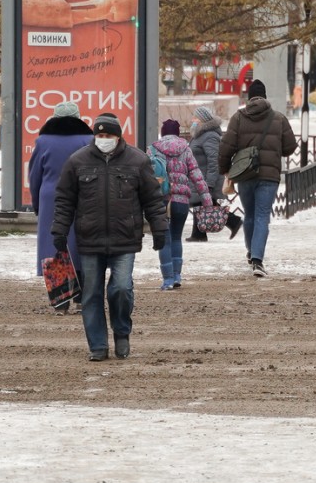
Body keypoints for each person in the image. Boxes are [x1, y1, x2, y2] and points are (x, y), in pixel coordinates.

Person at [51, 113, 169, 361]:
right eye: (100, 135)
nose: (104, 139)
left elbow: (153, 199)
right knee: (91, 293)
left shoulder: (137, 160)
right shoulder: (78, 161)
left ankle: (122, 333)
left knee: (121, 288)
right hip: (90, 240)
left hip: (124, 239)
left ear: (118, 136)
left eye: (109, 135)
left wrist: (159, 228)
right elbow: (64, 201)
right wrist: (59, 230)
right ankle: (97, 345)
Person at [218, 79, 298, 277]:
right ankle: (257, 259)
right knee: (263, 216)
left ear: (249, 96)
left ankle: (251, 251)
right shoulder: (278, 118)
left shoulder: (238, 118)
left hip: (245, 174)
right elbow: (290, 147)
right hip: (269, 177)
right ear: (265, 96)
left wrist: (225, 169)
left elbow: (226, 147)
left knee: (250, 215)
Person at [28, 101, 92, 315]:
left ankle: (60, 300)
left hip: (51, 199)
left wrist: (37, 204)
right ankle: (83, 298)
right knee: (82, 246)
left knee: (54, 247)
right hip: (82, 197)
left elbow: (35, 175)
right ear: (78, 117)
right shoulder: (88, 140)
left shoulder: (43, 141)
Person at [151, 119, 214, 289]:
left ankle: (167, 279)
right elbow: (196, 175)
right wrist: (206, 198)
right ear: (177, 133)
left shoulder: (154, 149)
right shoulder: (185, 149)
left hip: (161, 201)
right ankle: (177, 276)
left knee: (165, 239)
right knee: (177, 237)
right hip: (181, 202)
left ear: (163, 132)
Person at [185, 106, 242, 243]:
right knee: (203, 204)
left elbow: (214, 161)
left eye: (196, 118)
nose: (193, 120)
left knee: (204, 203)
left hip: (207, 178)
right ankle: (200, 234)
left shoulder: (210, 136)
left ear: (203, 120)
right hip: (200, 177)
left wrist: (209, 183)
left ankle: (232, 222)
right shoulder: (199, 134)